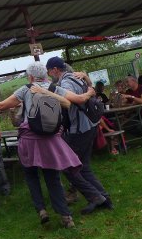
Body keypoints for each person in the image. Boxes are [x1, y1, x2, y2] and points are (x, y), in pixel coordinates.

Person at [0, 61, 94, 228]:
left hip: (29, 140)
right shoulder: (54, 88)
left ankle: (42, 210)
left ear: (31, 77)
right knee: (52, 177)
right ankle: (65, 216)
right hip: (50, 139)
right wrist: (90, 89)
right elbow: (76, 101)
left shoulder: (25, 89)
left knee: (31, 176)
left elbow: (0, 106)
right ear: (45, 74)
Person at [46, 57, 113, 214]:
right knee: (84, 167)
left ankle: (95, 197)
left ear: (55, 69)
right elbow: (90, 90)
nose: (49, 75)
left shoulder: (66, 82)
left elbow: (72, 101)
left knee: (69, 166)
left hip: (80, 129)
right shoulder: (76, 78)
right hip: (90, 126)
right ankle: (104, 198)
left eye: (49, 71)